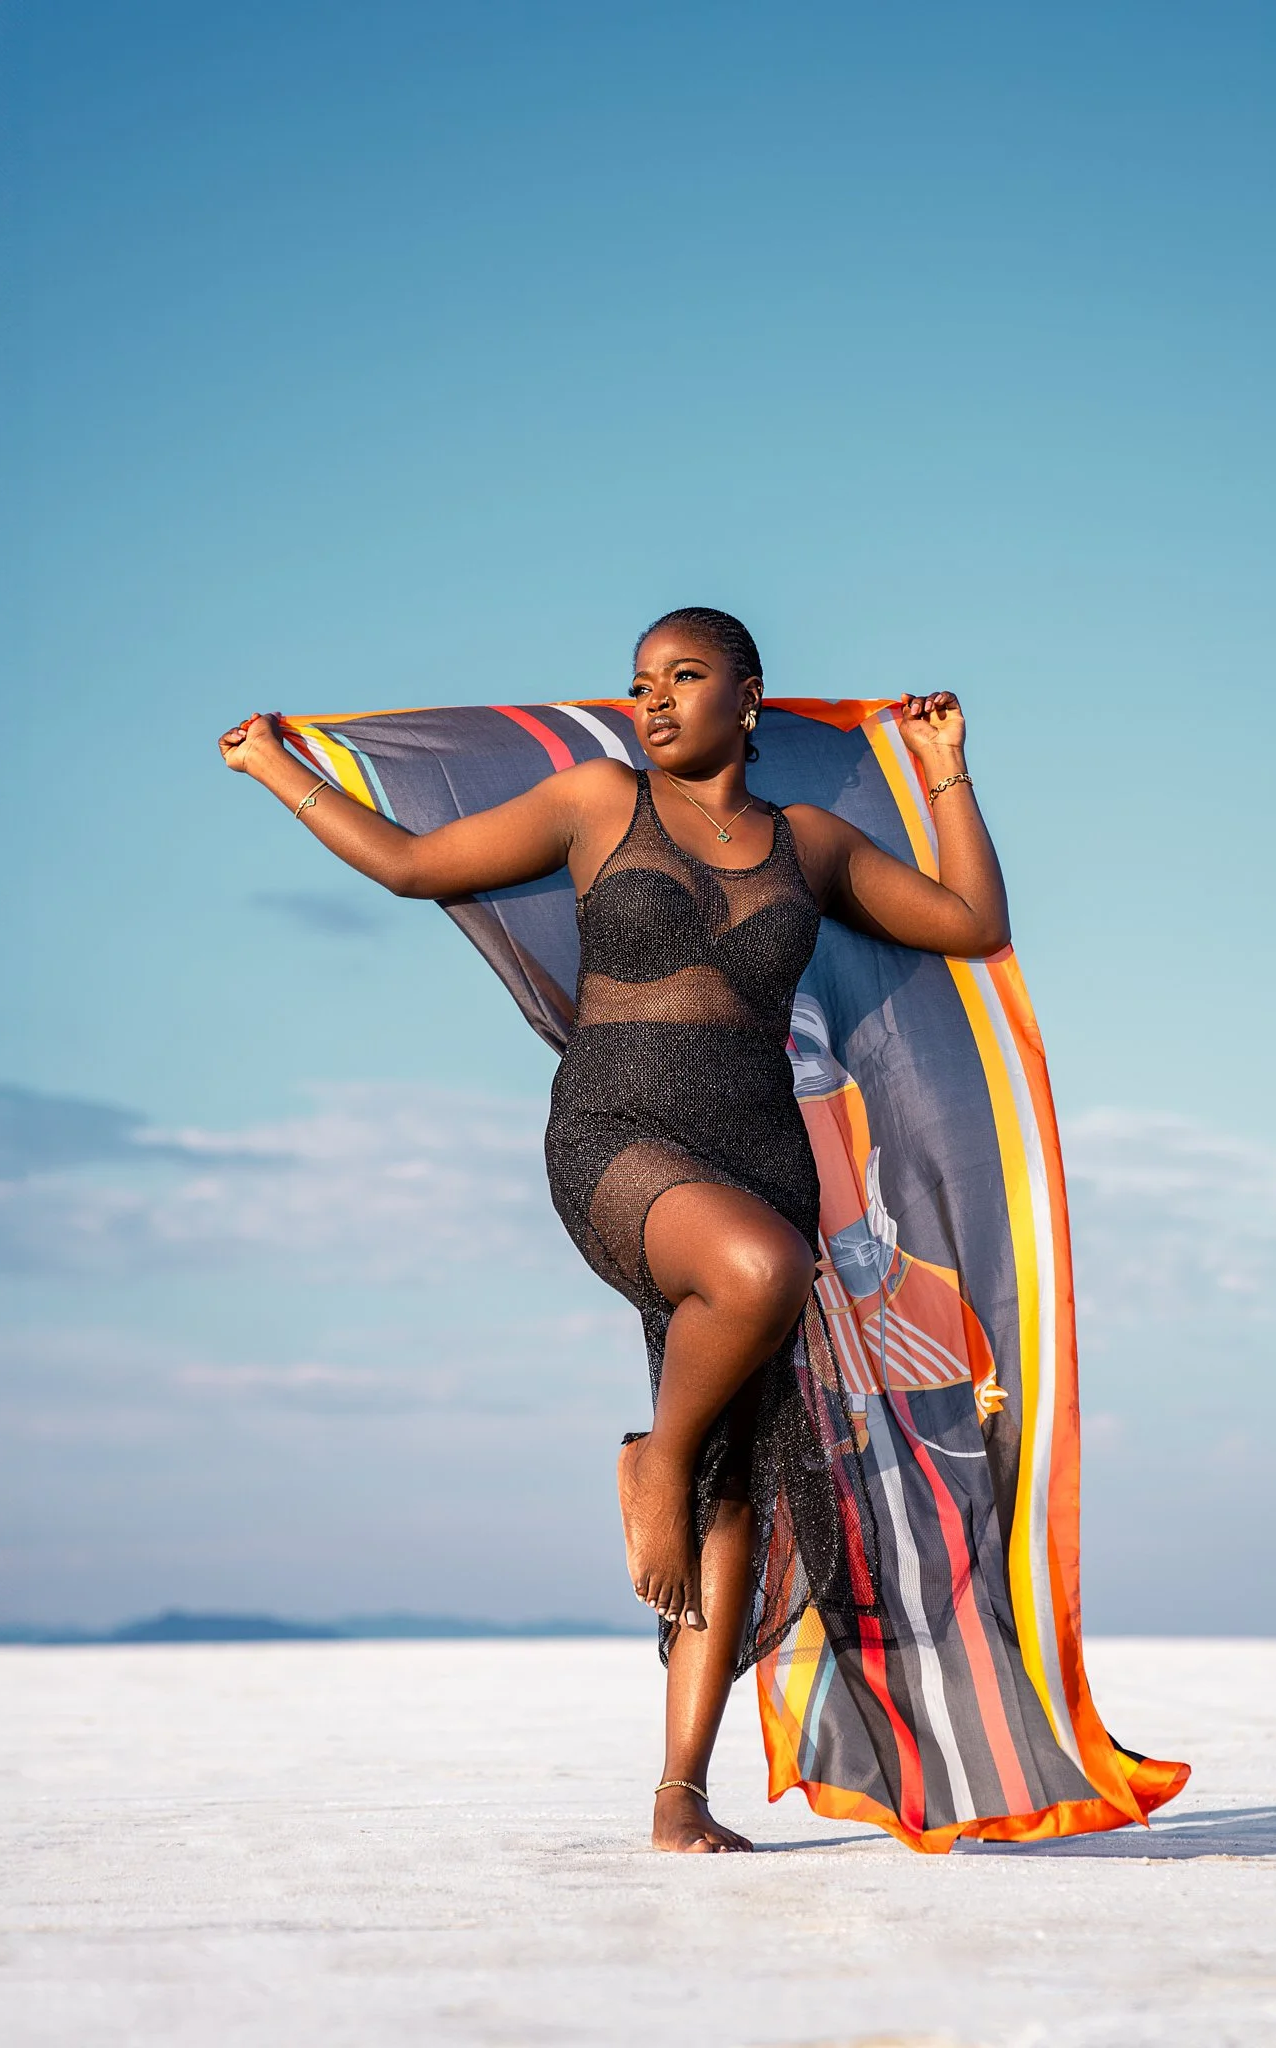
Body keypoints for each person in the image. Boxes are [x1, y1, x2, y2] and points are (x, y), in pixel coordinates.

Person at [218, 606, 1010, 1853]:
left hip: (759, 1150)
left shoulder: (804, 842)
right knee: (758, 1277)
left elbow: (971, 922)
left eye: (683, 678)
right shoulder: (596, 800)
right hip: (617, 1135)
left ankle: (679, 1795)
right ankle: (653, 1456)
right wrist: (280, 770)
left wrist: (948, 767)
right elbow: (417, 865)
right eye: (641, 681)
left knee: (735, 1489)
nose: (651, 699)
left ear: (749, 696)